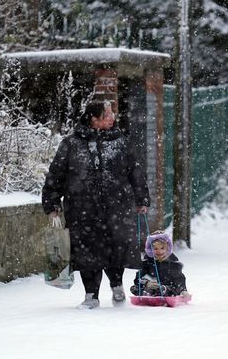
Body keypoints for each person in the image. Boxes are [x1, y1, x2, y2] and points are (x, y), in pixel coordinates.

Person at [42, 100, 150, 309]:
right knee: (86, 252)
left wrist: (142, 198)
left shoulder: (121, 142)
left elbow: (135, 172)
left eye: (112, 114)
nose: (112, 118)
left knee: (116, 247)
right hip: (82, 210)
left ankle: (117, 286)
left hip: (116, 207)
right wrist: (52, 205)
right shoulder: (71, 144)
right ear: (93, 118)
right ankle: (91, 294)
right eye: (107, 115)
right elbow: (56, 176)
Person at [130, 232, 188, 297]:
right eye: (155, 249)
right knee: (134, 288)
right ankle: (146, 293)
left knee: (166, 290)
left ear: (168, 248)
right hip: (152, 287)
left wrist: (183, 290)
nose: (159, 251)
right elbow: (138, 277)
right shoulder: (147, 262)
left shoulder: (172, 263)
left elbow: (179, 279)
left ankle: (160, 291)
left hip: (169, 288)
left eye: (162, 248)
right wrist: (147, 283)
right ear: (150, 249)